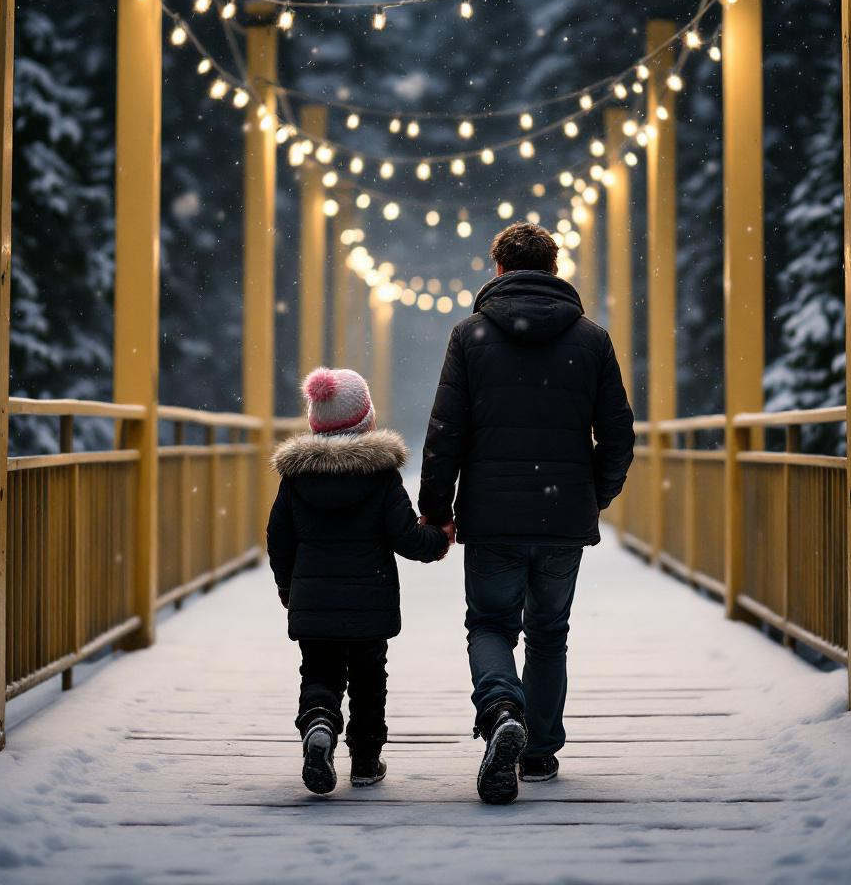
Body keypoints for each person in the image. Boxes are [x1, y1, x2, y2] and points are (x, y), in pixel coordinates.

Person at [419, 221, 635, 805]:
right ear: (554, 268)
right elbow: (618, 434)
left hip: (491, 515)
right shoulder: (592, 339)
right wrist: (595, 494)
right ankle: (538, 751)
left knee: (491, 625)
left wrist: (436, 511)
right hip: (564, 514)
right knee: (548, 633)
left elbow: (445, 433)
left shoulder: (469, 336)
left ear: (498, 268)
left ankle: (500, 709)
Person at [268, 367, 451, 796]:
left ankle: (319, 721)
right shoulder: (381, 476)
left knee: (319, 671)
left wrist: (287, 586)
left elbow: (278, 537)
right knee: (370, 680)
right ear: (367, 420)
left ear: (315, 421)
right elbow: (406, 538)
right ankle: (366, 760)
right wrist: (439, 539)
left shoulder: (296, 477)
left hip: (314, 601)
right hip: (370, 603)